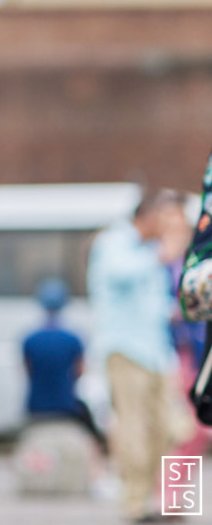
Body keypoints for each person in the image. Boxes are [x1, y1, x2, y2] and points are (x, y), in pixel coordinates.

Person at [88, 188, 190, 524]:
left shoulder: (150, 252)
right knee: (134, 429)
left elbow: (156, 305)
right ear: (146, 217)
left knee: (173, 429)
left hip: (159, 353)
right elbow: (120, 274)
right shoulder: (115, 243)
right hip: (126, 350)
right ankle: (136, 505)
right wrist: (161, 255)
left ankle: (170, 501)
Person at [22, 278, 105, 452]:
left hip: (36, 407)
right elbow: (81, 370)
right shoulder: (74, 339)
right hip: (67, 407)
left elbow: (27, 371)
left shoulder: (30, 339)